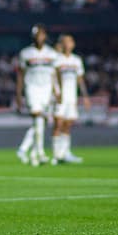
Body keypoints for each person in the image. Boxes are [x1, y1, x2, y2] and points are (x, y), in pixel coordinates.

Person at [15, 24, 59, 166]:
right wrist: (18, 94)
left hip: (46, 89)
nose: (39, 37)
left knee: (41, 121)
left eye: (41, 34)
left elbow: (54, 75)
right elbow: (21, 75)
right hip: (32, 88)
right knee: (38, 116)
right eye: (36, 35)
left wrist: (57, 91)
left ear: (45, 36)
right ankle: (39, 152)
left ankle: (29, 151)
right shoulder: (26, 53)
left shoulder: (52, 53)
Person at [51, 34, 90, 164]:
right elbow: (52, 77)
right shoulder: (57, 59)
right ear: (61, 44)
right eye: (65, 42)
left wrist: (85, 96)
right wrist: (56, 93)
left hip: (71, 97)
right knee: (58, 124)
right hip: (59, 97)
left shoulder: (76, 60)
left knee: (68, 125)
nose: (68, 44)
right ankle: (56, 155)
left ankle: (65, 153)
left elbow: (80, 79)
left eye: (70, 41)